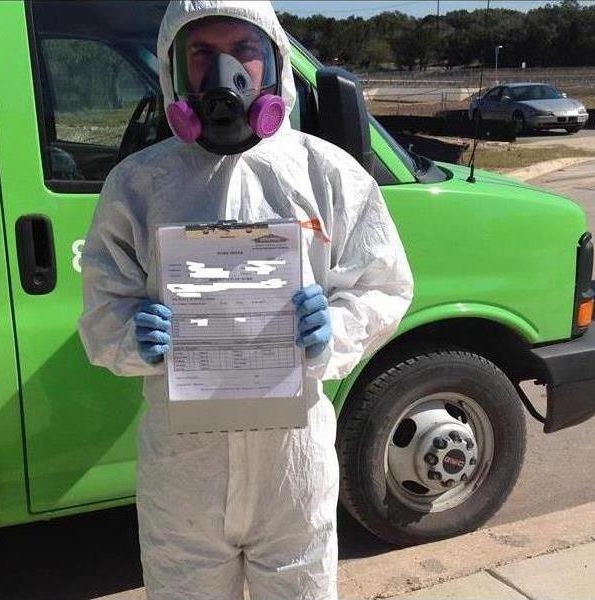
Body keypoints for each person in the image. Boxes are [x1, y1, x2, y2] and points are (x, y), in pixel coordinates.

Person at [78, 1, 413, 598]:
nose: (223, 72)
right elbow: (104, 307)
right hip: (184, 471)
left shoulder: (325, 172)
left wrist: (333, 327)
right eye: (201, 54)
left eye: (243, 51)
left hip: (293, 464)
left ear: (273, 63)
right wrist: (134, 337)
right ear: (172, 71)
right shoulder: (138, 184)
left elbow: (382, 284)